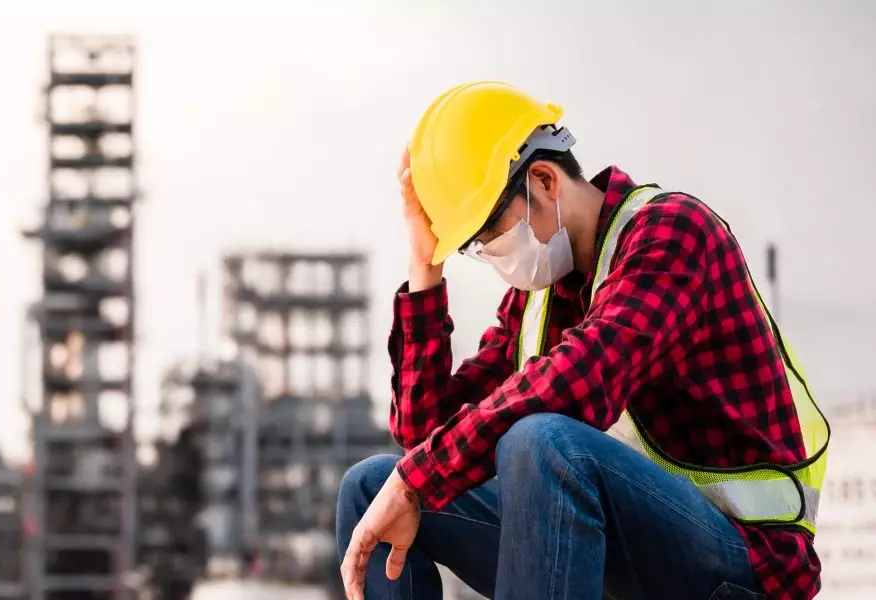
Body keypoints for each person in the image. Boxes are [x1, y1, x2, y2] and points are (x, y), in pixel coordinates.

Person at [335, 81, 829, 600]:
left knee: (543, 441)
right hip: (618, 552)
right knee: (371, 487)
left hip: (741, 564)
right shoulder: (540, 298)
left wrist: (418, 479)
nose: (492, 256)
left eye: (488, 234)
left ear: (544, 181)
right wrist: (425, 268)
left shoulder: (673, 234)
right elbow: (424, 435)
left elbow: (580, 380)